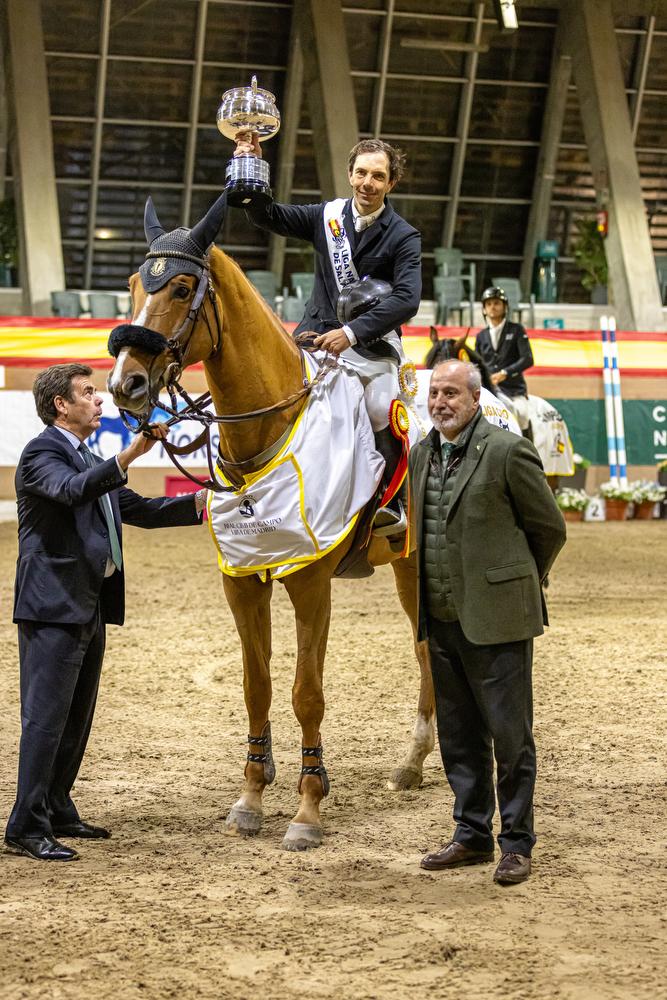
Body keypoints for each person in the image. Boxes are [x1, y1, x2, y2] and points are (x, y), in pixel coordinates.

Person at [4, 363, 206, 862]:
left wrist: (205, 503)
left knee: (75, 716)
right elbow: (74, 491)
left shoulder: (85, 455)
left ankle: (55, 805)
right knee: (45, 719)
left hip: (86, 601)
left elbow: (136, 509)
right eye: (88, 393)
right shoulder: (42, 453)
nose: (99, 401)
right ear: (61, 405)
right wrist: (133, 452)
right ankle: (25, 825)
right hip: (52, 604)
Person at [409, 359, 565, 885]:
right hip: (442, 617)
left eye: (451, 393)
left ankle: (517, 843)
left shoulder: (506, 450)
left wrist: (516, 581)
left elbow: (549, 528)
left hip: (498, 618)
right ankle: (471, 834)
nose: (440, 403)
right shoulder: (420, 454)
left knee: (510, 736)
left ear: (475, 399)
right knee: (458, 735)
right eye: (434, 393)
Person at [233, 134, 422, 534]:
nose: (367, 183)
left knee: (379, 408)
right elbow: (269, 216)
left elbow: (407, 299)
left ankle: (392, 501)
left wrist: (351, 333)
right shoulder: (327, 217)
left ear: (391, 183)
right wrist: (251, 167)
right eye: (361, 173)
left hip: (371, 346)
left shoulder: (404, 236)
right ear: (350, 173)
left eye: (378, 176)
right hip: (313, 336)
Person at [474, 286, 534, 434]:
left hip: (513, 389)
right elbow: (477, 364)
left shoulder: (517, 330)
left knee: (523, 415)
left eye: (496, 303)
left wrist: (505, 373)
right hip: (489, 389)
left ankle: (527, 451)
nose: (492, 307)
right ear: (484, 309)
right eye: (488, 304)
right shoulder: (481, 336)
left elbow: (527, 358)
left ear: (504, 306)